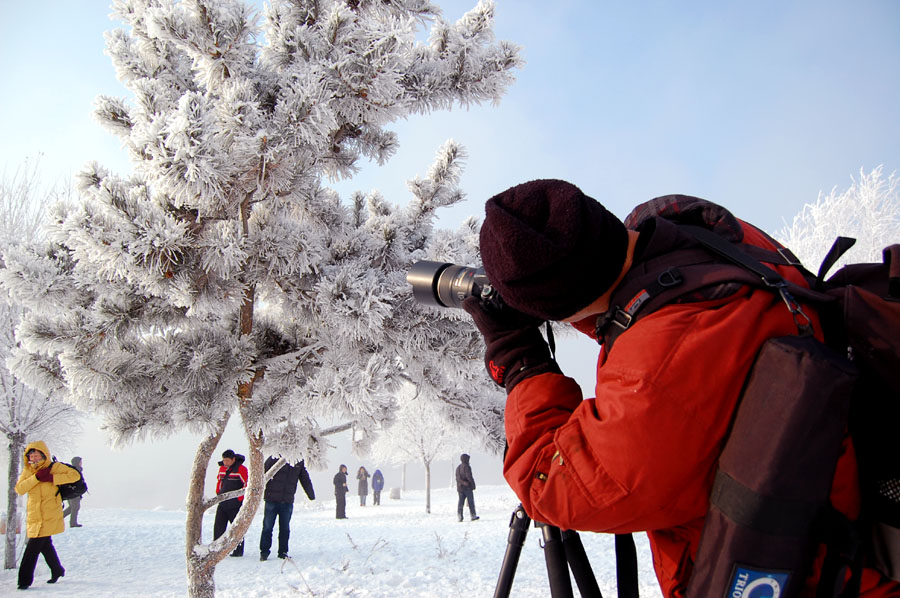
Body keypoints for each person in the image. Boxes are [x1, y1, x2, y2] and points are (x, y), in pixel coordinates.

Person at [461, 179, 900, 598]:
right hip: (855, 526)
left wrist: (521, 360)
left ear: (560, 311)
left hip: (819, 579)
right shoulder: (716, 243)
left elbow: (548, 481)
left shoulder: (657, 372)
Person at [14, 441, 81, 590]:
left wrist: (52, 478)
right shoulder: (28, 470)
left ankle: (24, 581)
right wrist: (36, 478)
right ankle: (57, 570)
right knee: (45, 544)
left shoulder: (54, 468)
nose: (34, 458)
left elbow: (74, 475)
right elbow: (20, 489)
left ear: (44, 454)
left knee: (32, 548)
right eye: (31, 455)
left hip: (49, 514)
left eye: (36, 454)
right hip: (34, 515)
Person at [259, 456, 315, 561]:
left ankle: (283, 552)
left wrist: (311, 494)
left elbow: (305, 479)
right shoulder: (274, 457)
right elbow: (262, 473)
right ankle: (264, 552)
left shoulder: (298, 461)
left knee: (285, 528)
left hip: (287, 501)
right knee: (267, 527)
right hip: (271, 500)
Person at [214, 449, 248, 557]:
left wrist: (239, 499)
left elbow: (246, 485)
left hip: (235, 505)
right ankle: (217, 550)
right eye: (224, 460)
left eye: (228, 460)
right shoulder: (222, 469)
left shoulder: (241, 469)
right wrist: (218, 494)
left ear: (233, 459)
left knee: (236, 528)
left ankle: (238, 551)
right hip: (223, 503)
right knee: (218, 528)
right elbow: (219, 482)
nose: (225, 463)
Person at [455, 454, 478, 522]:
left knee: (460, 502)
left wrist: (461, 483)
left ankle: (459, 516)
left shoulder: (458, 468)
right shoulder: (467, 467)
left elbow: (457, 478)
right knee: (471, 502)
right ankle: (473, 515)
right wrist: (472, 485)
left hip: (460, 488)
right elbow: (469, 477)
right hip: (467, 488)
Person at [61, 456, 83, 527]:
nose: (81, 463)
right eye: (80, 462)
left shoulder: (75, 470)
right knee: (75, 507)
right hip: (73, 492)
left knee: (72, 507)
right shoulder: (75, 470)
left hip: (73, 492)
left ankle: (58, 518)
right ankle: (73, 523)